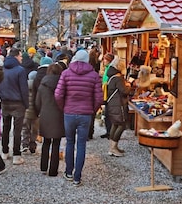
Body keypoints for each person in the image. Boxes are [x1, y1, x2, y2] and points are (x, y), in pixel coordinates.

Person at [54, 49, 104, 186]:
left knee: (70, 142)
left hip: (69, 112)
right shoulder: (94, 76)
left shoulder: (66, 73)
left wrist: (64, 107)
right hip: (85, 114)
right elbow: (99, 98)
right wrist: (92, 110)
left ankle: (68, 172)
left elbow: (58, 95)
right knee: (81, 144)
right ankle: (77, 177)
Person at [0, 48, 29, 165]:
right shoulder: (20, 70)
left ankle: (4, 151)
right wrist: (26, 104)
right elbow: (24, 89)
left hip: (5, 102)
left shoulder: (2, 69)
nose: (21, 58)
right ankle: (16, 154)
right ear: (16, 56)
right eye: (20, 56)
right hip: (18, 103)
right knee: (17, 130)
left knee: (5, 128)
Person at [35, 63, 65, 176]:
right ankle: (53, 170)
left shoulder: (42, 85)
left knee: (46, 143)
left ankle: (43, 167)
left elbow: (37, 103)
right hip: (59, 116)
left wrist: (39, 113)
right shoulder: (63, 85)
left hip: (45, 116)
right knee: (56, 143)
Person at [104, 58, 130, 157]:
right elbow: (124, 91)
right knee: (121, 125)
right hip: (118, 104)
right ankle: (113, 148)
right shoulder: (118, 78)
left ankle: (112, 147)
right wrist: (129, 86)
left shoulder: (111, 76)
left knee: (115, 124)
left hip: (112, 103)